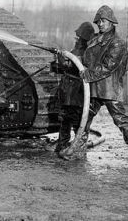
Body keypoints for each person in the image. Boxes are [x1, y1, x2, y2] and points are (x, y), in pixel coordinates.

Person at [79, 5, 128, 165]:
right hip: (94, 87)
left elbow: (108, 66)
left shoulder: (117, 43)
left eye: (103, 21)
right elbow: (87, 61)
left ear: (111, 22)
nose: (100, 24)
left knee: (121, 121)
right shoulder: (94, 40)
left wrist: (88, 74)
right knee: (84, 119)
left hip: (109, 89)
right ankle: (79, 148)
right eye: (98, 21)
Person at [51, 22, 95, 157]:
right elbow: (65, 66)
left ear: (83, 38)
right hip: (68, 91)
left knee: (77, 121)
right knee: (65, 119)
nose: (75, 39)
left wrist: (60, 57)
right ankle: (62, 146)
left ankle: (78, 149)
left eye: (78, 37)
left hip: (77, 92)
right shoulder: (77, 51)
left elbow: (70, 66)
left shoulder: (86, 53)